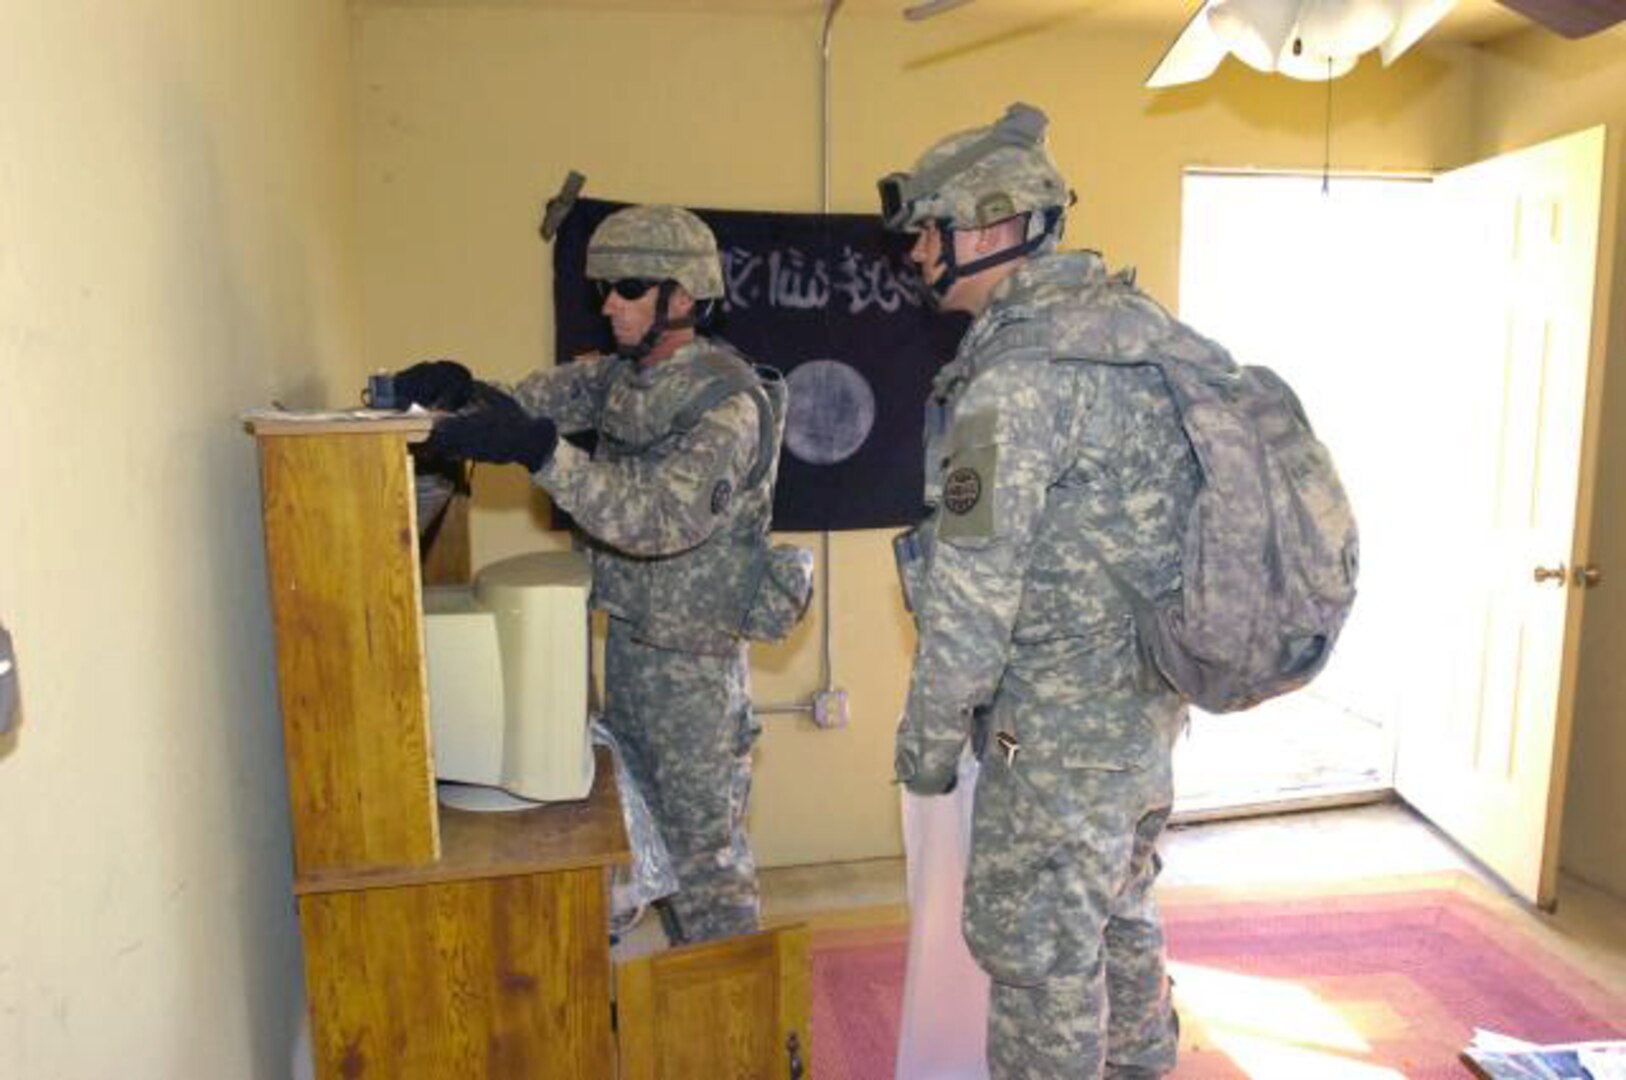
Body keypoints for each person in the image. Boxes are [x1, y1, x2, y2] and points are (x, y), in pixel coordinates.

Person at [881, 103, 1200, 1079]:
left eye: (927, 231)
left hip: (1056, 738)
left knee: (1039, 966)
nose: (917, 255)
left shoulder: (1016, 381)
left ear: (984, 227)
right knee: (1119, 913)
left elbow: (973, 607)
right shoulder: (1138, 330)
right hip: (1144, 711)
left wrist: (927, 749)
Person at [392, 204, 786, 944]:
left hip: (697, 671)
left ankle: (740, 1036)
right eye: (604, 286)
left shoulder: (725, 402)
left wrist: (543, 453)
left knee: (706, 869)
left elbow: (659, 521)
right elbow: (528, 405)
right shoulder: (619, 378)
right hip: (634, 648)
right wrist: (462, 392)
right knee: (643, 846)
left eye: (629, 287)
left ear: (683, 295)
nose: (609, 304)